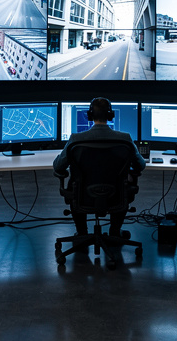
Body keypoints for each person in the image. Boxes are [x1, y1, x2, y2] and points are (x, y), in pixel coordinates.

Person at [53, 97, 146, 239]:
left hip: (83, 196)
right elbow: (141, 165)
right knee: (124, 183)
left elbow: (59, 167)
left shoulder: (75, 139)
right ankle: (115, 231)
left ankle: (82, 233)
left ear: (90, 116)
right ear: (110, 115)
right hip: (116, 195)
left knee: (75, 184)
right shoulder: (125, 139)